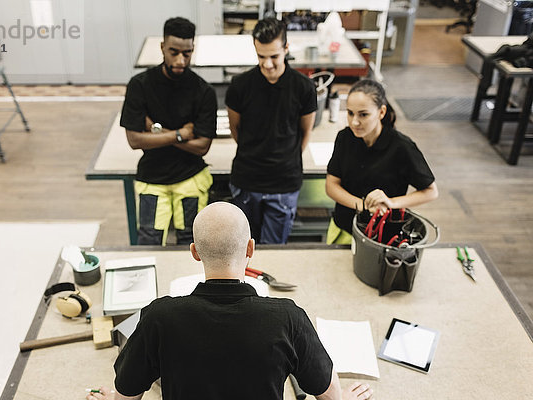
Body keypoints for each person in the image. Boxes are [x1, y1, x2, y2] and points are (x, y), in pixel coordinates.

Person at [86, 202, 374, 400]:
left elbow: (126, 393)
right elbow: (326, 389)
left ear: (195, 252)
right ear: (251, 248)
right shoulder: (288, 318)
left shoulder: (159, 317)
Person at [120, 17, 217, 245]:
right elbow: (134, 140)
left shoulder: (204, 91)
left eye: (187, 53)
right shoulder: (140, 85)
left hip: (190, 178)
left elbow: (202, 146)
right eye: (174, 52)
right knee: (149, 244)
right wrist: (180, 134)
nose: (181, 60)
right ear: (162, 47)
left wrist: (155, 132)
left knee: (191, 244)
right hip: (152, 179)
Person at [225, 17, 317, 244]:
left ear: (286, 48)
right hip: (246, 182)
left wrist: (285, 157)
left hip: (284, 184)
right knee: (241, 250)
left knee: (273, 253)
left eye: (274, 56)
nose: (267, 64)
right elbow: (235, 128)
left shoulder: (303, 88)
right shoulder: (240, 86)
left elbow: (305, 133)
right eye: (261, 57)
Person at [325, 79, 438, 244]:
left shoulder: (401, 147)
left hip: (383, 238)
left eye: (363, 114)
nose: (354, 122)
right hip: (343, 229)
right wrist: (365, 205)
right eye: (350, 113)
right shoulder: (345, 138)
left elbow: (430, 191)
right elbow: (331, 185)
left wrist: (391, 203)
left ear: (381, 112)